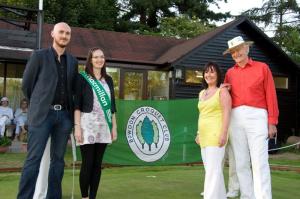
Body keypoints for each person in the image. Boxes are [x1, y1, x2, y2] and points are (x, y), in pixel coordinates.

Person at [17, 22, 78, 199]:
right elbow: (27, 86)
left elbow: (73, 89)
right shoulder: (39, 56)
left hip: (64, 117)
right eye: (61, 32)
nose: (64, 36)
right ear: (52, 34)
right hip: (42, 116)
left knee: (58, 162)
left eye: (67, 33)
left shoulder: (73, 61)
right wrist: (39, 104)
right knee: (33, 160)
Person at [223, 36, 279, 199]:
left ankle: (263, 197)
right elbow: (225, 99)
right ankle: (247, 196)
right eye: (233, 51)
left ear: (247, 48)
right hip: (235, 117)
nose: (236, 53)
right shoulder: (229, 73)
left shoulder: (263, 68)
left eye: (239, 49)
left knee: (259, 161)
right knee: (241, 162)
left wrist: (272, 122)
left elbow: (271, 95)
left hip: (258, 116)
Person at [74, 47, 117, 199]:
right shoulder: (82, 78)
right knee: (87, 163)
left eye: (102, 57)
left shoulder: (109, 79)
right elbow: (77, 105)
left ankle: (93, 196)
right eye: (96, 57)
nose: (99, 60)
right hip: (87, 125)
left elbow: (112, 106)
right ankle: (84, 197)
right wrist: (77, 128)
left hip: (104, 126)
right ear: (90, 60)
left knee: (98, 164)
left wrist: (114, 127)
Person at [195, 62, 231, 199]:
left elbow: (227, 113)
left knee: (213, 171)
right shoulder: (202, 93)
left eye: (212, 72)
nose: (208, 75)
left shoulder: (222, 91)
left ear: (218, 75)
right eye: (206, 72)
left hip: (216, 135)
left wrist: (223, 133)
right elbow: (202, 115)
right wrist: (198, 134)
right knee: (211, 170)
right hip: (204, 136)